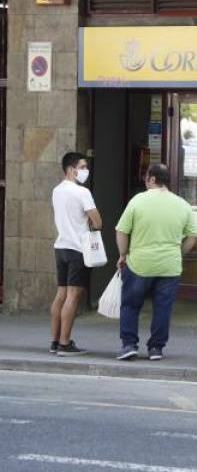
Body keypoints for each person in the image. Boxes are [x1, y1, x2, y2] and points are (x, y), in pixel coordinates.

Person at [115, 164, 197, 361]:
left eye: (146, 177)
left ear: (152, 179)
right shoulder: (182, 204)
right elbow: (192, 237)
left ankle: (129, 345)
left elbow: (121, 230)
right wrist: (178, 254)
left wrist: (123, 254)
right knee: (163, 308)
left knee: (130, 305)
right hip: (169, 266)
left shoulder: (138, 200)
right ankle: (156, 348)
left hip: (139, 264)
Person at [49, 152, 102, 356]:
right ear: (71, 169)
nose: (85, 171)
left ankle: (54, 340)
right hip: (78, 249)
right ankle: (65, 343)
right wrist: (89, 221)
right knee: (74, 295)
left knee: (60, 294)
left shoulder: (56, 191)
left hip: (61, 247)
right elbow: (98, 222)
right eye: (82, 166)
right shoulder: (82, 193)